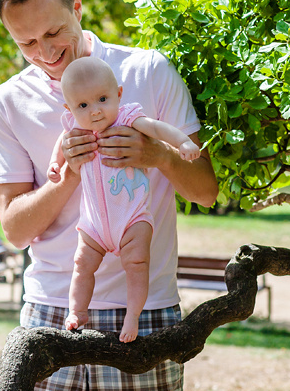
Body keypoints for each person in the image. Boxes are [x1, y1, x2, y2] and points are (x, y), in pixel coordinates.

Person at [0, 0, 218, 391]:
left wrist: (156, 155)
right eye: (27, 43)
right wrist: (67, 175)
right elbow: (14, 230)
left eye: (53, 32)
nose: (46, 54)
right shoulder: (8, 101)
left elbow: (206, 190)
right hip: (52, 311)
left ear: (78, 7)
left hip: (145, 311)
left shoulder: (148, 71)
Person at [47, 57, 201, 342]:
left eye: (102, 99)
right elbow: (61, 142)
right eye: (83, 105)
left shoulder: (127, 118)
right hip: (93, 224)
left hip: (132, 218)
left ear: (118, 94)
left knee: (137, 263)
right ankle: (77, 312)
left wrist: (183, 143)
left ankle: (132, 317)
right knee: (81, 263)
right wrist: (55, 164)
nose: (94, 111)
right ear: (70, 109)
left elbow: (157, 128)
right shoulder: (75, 128)